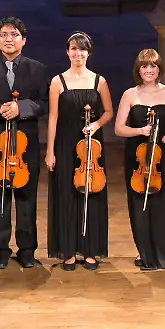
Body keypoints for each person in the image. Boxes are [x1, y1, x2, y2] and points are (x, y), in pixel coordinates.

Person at [0, 17, 48, 269]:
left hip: (26, 147)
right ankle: (0, 248)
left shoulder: (37, 69)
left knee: (26, 199)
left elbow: (43, 103)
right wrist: (0, 111)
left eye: (14, 34)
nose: (8, 39)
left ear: (23, 40)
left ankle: (27, 249)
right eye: (4, 34)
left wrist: (20, 108)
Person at [114, 49, 165, 271]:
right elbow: (119, 129)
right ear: (139, 70)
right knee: (140, 206)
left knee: (164, 205)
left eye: (153, 66)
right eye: (145, 67)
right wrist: (141, 131)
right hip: (137, 158)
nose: (149, 70)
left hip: (160, 156)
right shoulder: (130, 94)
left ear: (159, 69)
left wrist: (160, 142)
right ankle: (146, 253)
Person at [45, 32, 114, 271]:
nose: (78, 53)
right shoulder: (57, 82)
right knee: (66, 194)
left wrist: (95, 125)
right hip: (65, 143)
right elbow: (53, 118)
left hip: (91, 147)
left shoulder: (99, 81)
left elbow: (108, 112)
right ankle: (68, 251)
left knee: (91, 193)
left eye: (82, 50)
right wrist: (50, 151)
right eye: (74, 49)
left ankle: (90, 250)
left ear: (89, 53)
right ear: (67, 52)